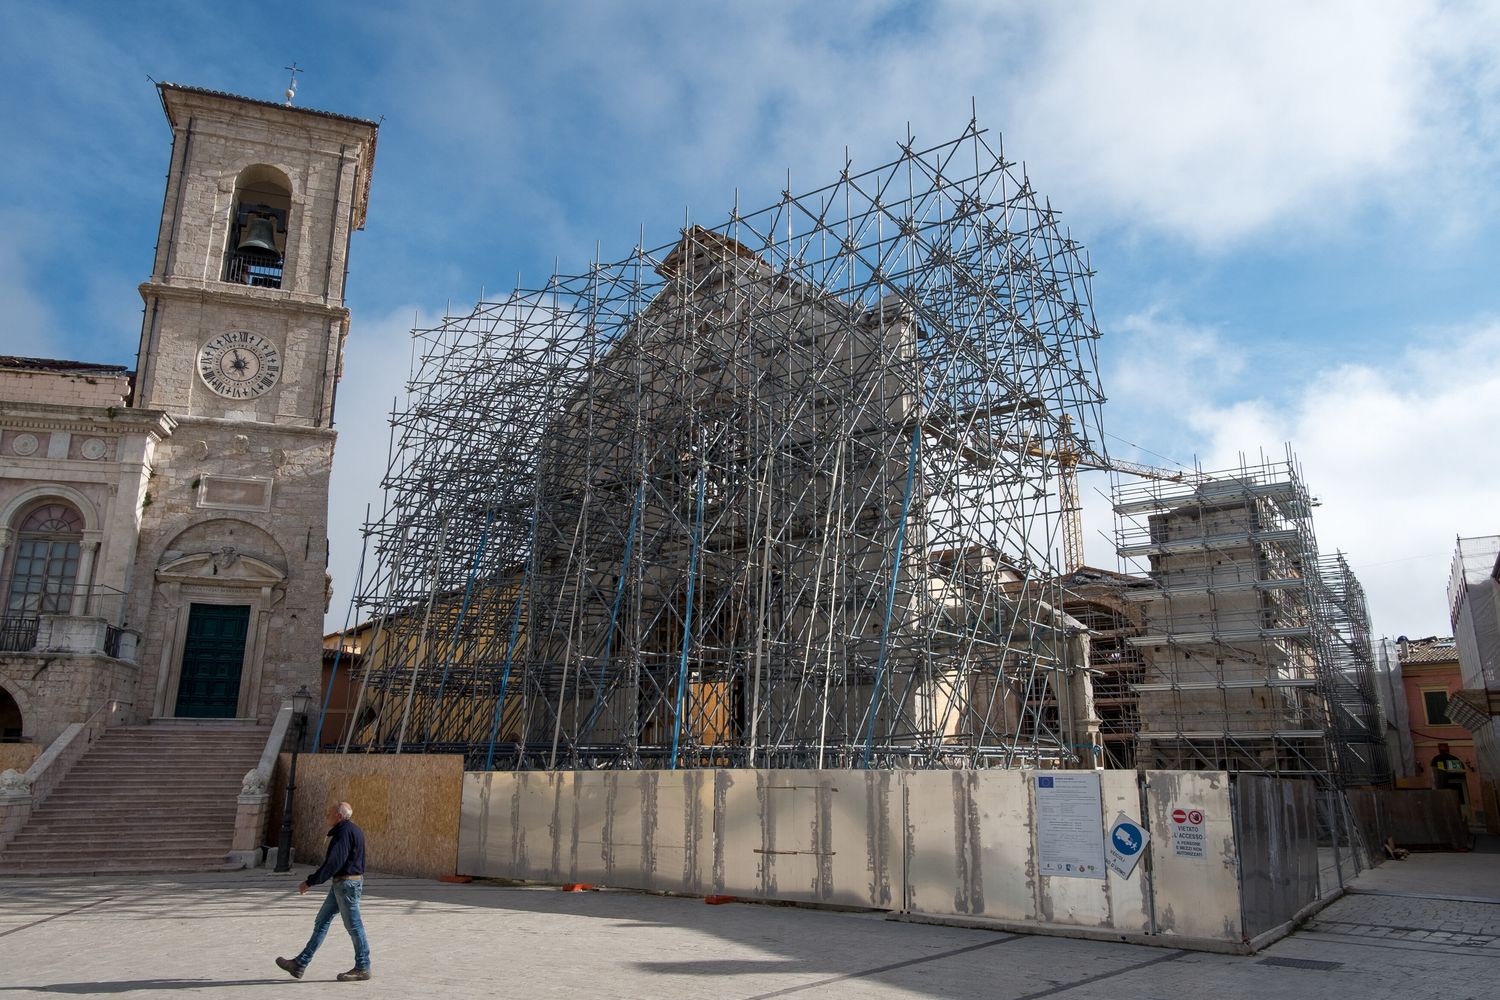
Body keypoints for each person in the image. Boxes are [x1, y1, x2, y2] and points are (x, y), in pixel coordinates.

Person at [276, 800, 371, 982]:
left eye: (329, 813)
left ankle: (363, 966)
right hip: (343, 885)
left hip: (346, 886)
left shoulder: (344, 833)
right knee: (322, 921)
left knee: (354, 926)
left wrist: (310, 882)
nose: (326, 816)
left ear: (339, 815)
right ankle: (300, 964)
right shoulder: (353, 830)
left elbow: (334, 862)